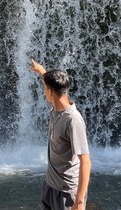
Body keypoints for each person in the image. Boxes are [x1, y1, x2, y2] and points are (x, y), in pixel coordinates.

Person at [30, 59, 91, 210]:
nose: (44, 92)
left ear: (50, 91)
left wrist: (80, 201)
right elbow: (52, 84)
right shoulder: (56, 109)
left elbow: (86, 161)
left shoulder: (73, 120)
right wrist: (42, 71)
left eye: (45, 89)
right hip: (50, 185)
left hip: (66, 192)